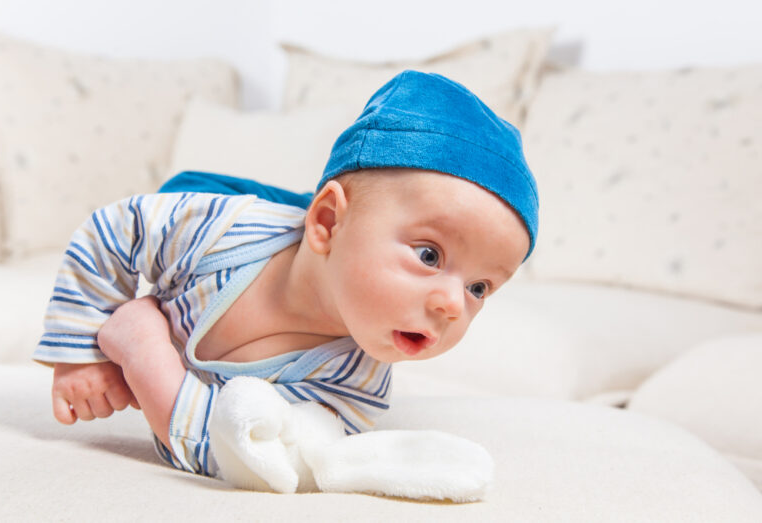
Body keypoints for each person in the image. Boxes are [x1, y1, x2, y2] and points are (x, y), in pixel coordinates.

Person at [34, 70, 539, 477]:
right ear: (326, 222)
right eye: (429, 256)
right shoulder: (222, 229)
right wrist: (80, 354)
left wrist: (144, 354)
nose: (454, 305)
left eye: (479, 288)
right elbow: (109, 232)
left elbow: (241, 456)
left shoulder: (352, 384)